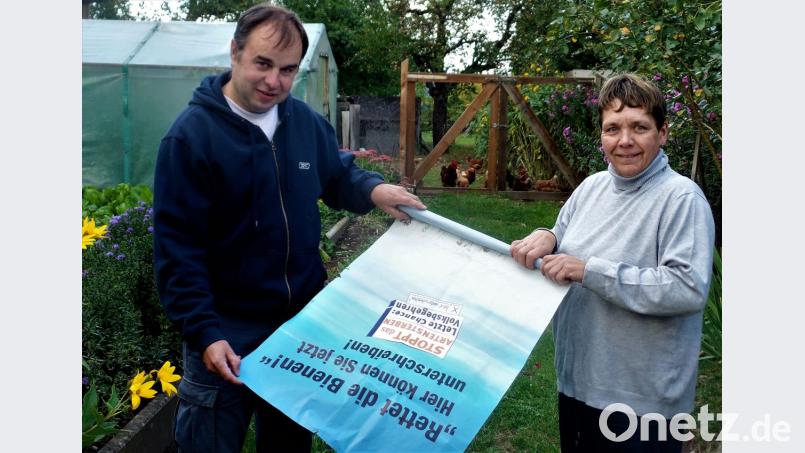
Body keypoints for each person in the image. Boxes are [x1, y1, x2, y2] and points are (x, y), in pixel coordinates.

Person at [152, 4, 426, 452]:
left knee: (287, 444)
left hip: (297, 328)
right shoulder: (191, 138)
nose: (274, 82)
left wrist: (375, 190)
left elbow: (336, 176)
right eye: (262, 64)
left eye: (287, 70)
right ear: (235, 52)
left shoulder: (302, 122)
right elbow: (178, 250)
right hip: (226, 331)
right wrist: (205, 332)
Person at [510, 73, 715, 452]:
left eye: (639, 127)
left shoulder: (680, 199)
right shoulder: (591, 188)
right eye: (612, 128)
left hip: (641, 403)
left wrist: (590, 271)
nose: (625, 141)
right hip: (578, 386)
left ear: (663, 132)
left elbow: (686, 289)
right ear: (601, 136)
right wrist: (548, 235)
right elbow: (564, 240)